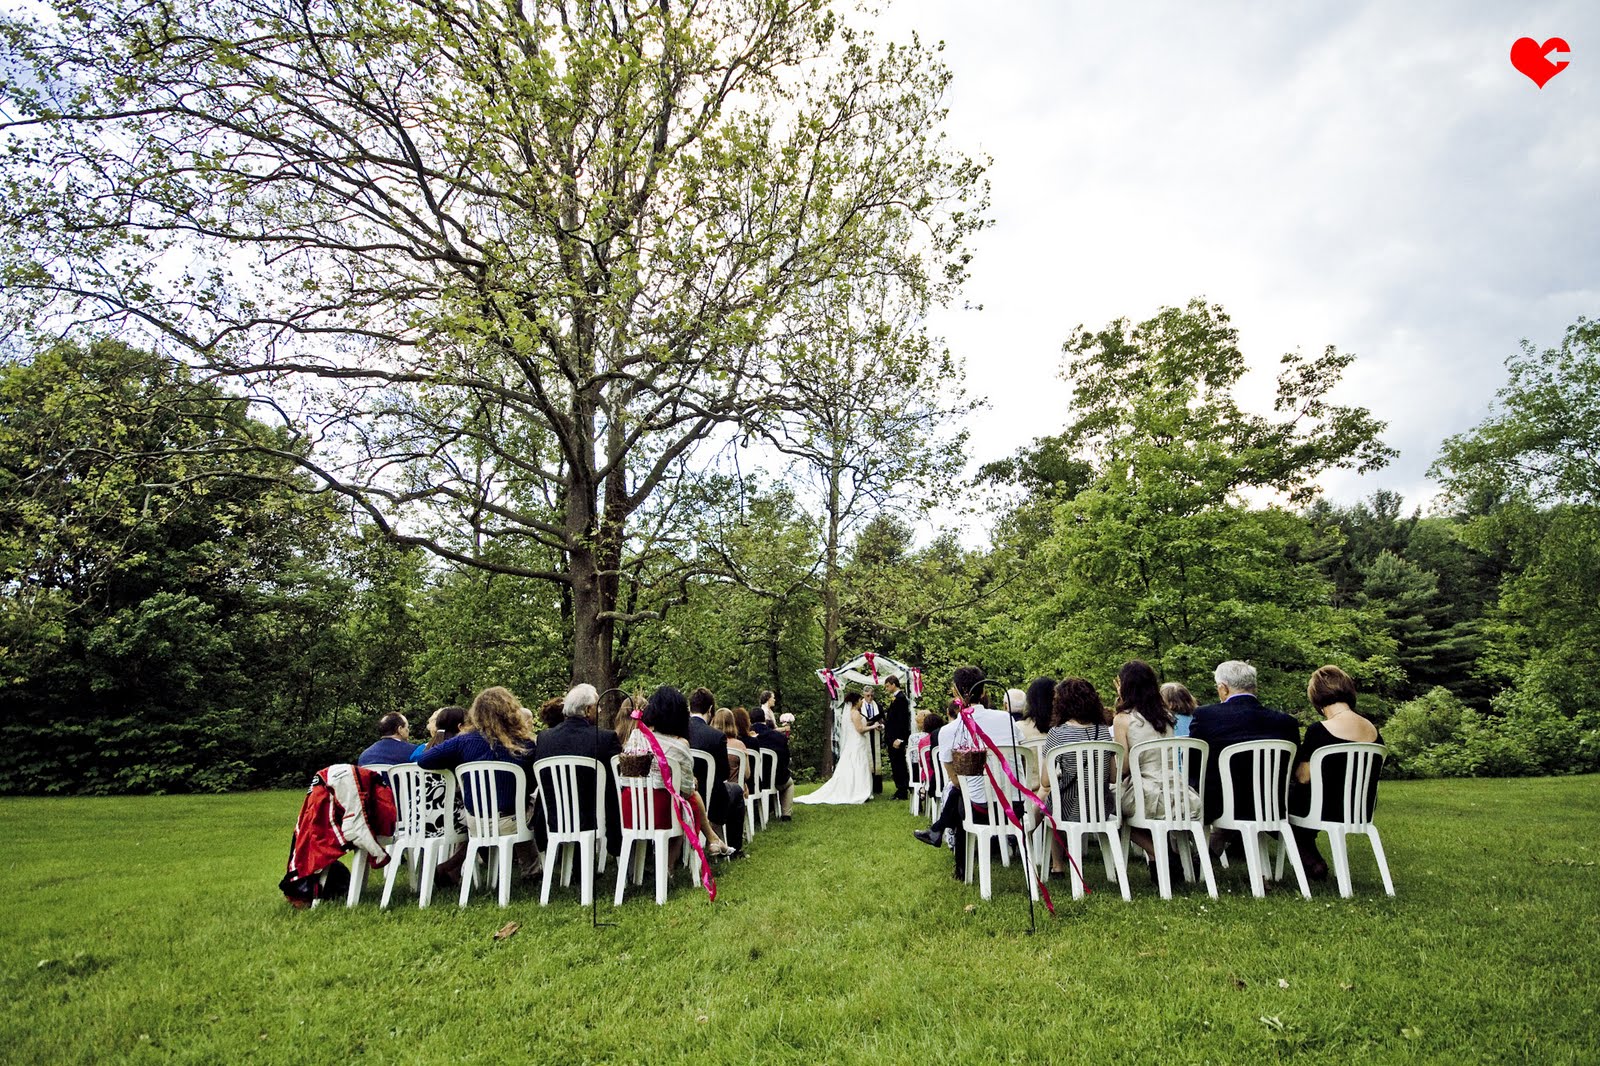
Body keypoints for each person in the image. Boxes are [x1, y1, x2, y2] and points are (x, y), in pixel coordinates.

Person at [417, 686, 539, 876]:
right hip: (512, 820)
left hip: (475, 820)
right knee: (530, 806)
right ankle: (531, 870)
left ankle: (457, 868)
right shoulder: (525, 744)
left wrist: (459, 766)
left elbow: (424, 760)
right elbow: (531, 784)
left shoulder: (462, 742)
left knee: (519, 808)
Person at [913, 666, 1020, 880]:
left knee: (961, 794)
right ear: (984, 693)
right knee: (962, 795)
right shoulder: (1007, 719)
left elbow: (955, 779)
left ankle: (958, 864)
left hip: (981, 810)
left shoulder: (948, 731)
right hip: (1015, 806)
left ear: (955, 693)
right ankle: (938, 832)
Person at [1188, 660, 1301, 855]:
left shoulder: (1206, 715)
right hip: (1271, 802)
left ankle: (1196, 855)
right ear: (1254, 687)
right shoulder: (1285, 722)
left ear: (1223, 688)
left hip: (1218, 804)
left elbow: (1194, 764)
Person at [1290, 665, 1381, 881]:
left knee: (1274, 805)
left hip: (1323, 808)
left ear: (1316, 696)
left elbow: (1304, 777)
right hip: (1360, 809)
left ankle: (1311, 861)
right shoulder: (1373, 730)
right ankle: (1310, 858)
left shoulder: (1319, 730)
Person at [622, 686, 732, 859]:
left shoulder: (636, 736)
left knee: (682, 801)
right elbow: (687, 789)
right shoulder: (680, 746)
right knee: (686, 803)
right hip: (661, 812)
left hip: (631, 807)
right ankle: (670, 868)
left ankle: (713, 840)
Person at [1112, 660, 1196, 867]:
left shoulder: (1123, 719)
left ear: (1125, 686)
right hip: (1177, 792)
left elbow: (1123, 768)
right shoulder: (1167, 716)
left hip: (1146, 794)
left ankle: (1159, 853)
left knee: (1107, 809)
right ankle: (1161, 859)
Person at [529, 683, 623, 862]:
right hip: (594, 817)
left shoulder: (545, 738)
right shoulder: (605, 738)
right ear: (588, 710)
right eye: (598, 706)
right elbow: (619, 777)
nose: (600, 710)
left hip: (554, 816)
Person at [1039, 678, 1114, 876]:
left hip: (1069, 808)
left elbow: (1046, 782)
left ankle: (1058, 866)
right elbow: (1113, 776)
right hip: (1101, 807)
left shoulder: (1057, 733)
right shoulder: (1104, 730)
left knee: (1052, 803)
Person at [796, 691, 878, 805]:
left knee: (854, 765)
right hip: (857, 743)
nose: (862, 702)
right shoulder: (855, 713)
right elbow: (860, 729)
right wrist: (874, 726)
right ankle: (858, 791)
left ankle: (857, 789)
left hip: (854, 742)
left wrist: (869, 725)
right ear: (856, 702)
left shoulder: (851, 713)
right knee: (858, 765)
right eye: (860, 700)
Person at [688, 687, 743, 854]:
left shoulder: (678, 732)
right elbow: (724, 773)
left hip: (682, 794)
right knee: (736, 790)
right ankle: (735, 846)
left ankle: (714, 839)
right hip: (710, 798)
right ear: (710, 709)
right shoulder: (716, 736)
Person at [748, 704, 794, 821]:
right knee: (789, 783)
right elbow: (785, 759)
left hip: (753, 781)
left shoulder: (745, 738)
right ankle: (786, 814)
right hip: (776, 779)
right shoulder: (779, 737)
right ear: (764, 719)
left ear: (750, 720)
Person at [882, 675, 912, 801]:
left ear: (893, 684)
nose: (887, 688)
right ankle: (901, 789)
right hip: (892, 737)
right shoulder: (896, 698)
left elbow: (902, 721)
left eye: (888, 686)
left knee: (898, 764)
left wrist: (899, 738)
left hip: (896, 739)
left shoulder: (901, 699)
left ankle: (902, 790)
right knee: (896, 764)